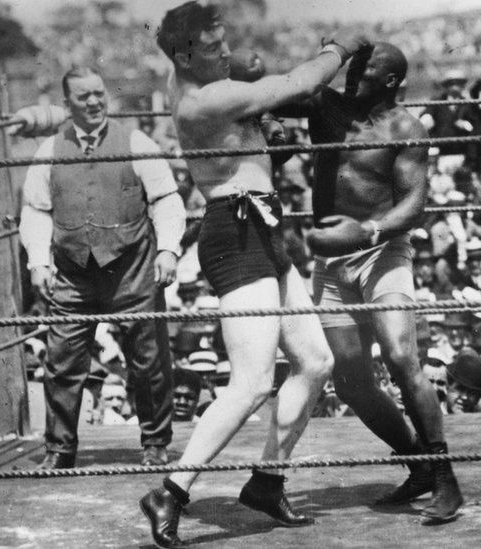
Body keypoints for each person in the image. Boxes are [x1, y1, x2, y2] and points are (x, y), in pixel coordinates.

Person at [139, 4, 352, 545]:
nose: (226, 54)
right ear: (186, 56)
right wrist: (339, 50)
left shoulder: (200, 81)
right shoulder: (203, 99)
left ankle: (267, 480)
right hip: (233, 233)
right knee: (253, 380)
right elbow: (292, 82)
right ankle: (171, 490)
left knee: (315, 360)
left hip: (263, 226)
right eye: (213, 48)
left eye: (223, 43)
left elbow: (253, 87)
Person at [287, 41, 463, 523]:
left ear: (389, 81)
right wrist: (331, 53)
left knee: (402, 355)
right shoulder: (324, 109)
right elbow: (285, 93)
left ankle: (445, 476)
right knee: (348, 377)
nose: (351, 77)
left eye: (362, 71)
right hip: (331, 261)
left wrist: (367, 229)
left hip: (382, 250)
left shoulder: (406, 127)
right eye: (350, 68)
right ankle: (418, 463)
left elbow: (414, 203)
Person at [15, 65, 185, 470]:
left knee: (148, 360)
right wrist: (38, 261)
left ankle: (155, 443)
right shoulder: (49, 151)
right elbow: (36, 209)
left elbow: (165, 198)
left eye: (98, 94)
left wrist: (168, 250)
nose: (93, 102)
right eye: (83, 97)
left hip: (132, 267)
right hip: (73, 271)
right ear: (67, 103)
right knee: (61, 362)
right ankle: (59, 450)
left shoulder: (136, 141)